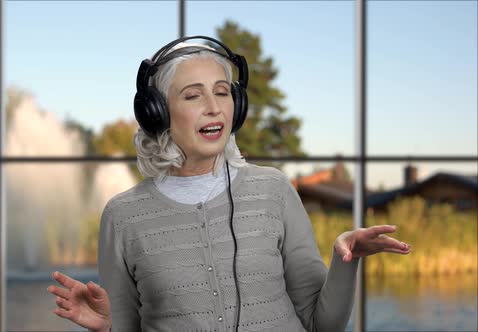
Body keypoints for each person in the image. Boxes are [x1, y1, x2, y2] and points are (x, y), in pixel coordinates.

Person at [47, 36, 411, 332]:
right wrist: (109, 328)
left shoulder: (275, 191)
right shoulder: (122, 216)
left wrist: (345, 258)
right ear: (156, 112)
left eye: (222, 92)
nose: (213, 107)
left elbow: (322, 325)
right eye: (193, 95)